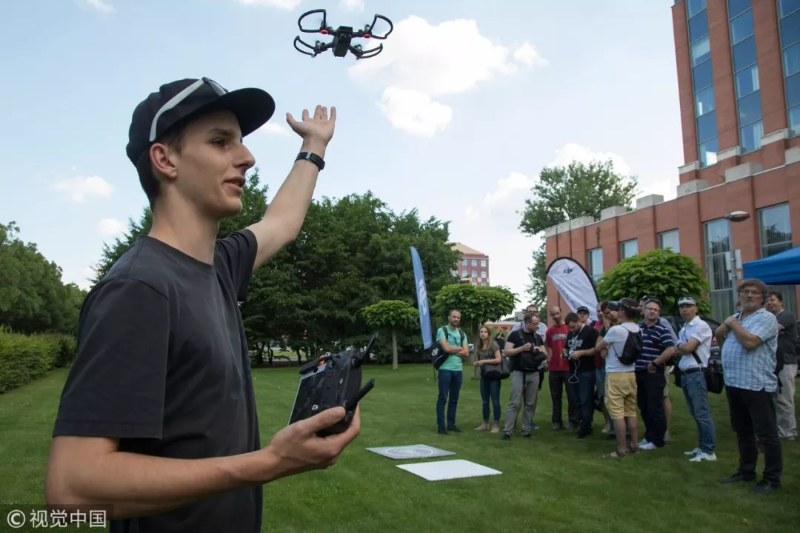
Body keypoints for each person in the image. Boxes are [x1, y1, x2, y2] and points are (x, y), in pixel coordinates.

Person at [44, 78, 361, 532]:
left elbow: (282, 222)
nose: (247, 157)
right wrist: (269, 462)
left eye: (241, 141)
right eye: (220, 141)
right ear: (165, 159)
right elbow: (71, 490)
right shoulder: (140, 289)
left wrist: (314, 146)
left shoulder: (219, 266)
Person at [715, 279, 782, 494]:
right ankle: (746, 471)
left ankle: (771, 478)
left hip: (757, 384)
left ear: (762, 298)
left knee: (766, 434)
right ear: (740, 296)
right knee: (743, 431)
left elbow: (750, 342)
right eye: (745, 292)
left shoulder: (766, 318)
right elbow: (718, 333)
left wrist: (732, 324)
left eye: (755, 292)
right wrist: (727, 330)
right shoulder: (738, 317)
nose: (749, 295)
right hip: (735, 382)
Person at [652, 297, 717, 462]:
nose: (685, 309)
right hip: (686, 373)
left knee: (701, 413)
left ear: (696, 308)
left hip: (696, 373)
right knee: (695, 412)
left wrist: (682, 346)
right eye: (682, 307)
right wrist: (682, 347)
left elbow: (686, 348)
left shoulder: (701, 326)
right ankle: (702, 446)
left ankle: (708, 450)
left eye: (688, 306)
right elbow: (677, 349)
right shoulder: (685, 328)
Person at [595, 298, 641, 458]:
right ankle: (635, 445)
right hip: (631, 373)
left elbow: (598, 347)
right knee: (631, 411)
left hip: (615, 374)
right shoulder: (638, 329)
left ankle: (622, 449)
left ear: (622, 312)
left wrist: (606, 338)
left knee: (617, 413)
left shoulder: (616, 330)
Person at [635, 298, 674, 450]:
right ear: (644, 310)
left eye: (655, 310)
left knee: (655, 406)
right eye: (650, 309)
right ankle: (649, 436)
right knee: (643, 405)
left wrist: (655, 362)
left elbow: (670, 349)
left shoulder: (662, 329)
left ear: (659, 313)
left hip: (653, 372)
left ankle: (658, 440)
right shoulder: (638, 328)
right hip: (638, 371)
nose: (652, 312)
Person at [500, 312, 546, 440]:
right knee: (514, 402)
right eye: (535, 324)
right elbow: (506, 352)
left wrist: (539, 350)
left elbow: (545, 354)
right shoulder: (515, 335)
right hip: (519, 372)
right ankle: (507, 431)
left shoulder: (538, 337)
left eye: (538, 324)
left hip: (534, 372)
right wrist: (521, 348)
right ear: (527, 323)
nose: (537, 326)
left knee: (530, 404)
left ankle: (526, 430)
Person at [766, 291, 798, 441]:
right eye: (767, 301)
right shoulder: (769, 318)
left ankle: (788, 433)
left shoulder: (787, 316)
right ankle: (777, 430)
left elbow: (769, 331)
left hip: (786, 363)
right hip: (772, 363)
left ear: (781, 302)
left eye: (773, 300)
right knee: (773, 399)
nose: (770, 303)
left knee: (785, 399)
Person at [564, 313, 600, 439]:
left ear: (579, 321)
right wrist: (565, 354)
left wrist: (581, 353)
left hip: (587, 370)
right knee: (576, 400)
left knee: (585, 400)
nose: (571, 330)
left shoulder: (591, 332)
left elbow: (596, 349)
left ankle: (586, 428)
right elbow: (566, 347)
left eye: (573, 327)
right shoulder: (571, 334)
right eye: (569, 328)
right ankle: (582, 423)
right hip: (573, 370)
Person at [435, 309, 470, 435]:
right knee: (443, 397)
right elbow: (445, 348)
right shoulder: (442, 331)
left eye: (458, 317)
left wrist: (453, 349)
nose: (456, 319)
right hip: (445, 369)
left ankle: (451, 424)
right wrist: (459, 348)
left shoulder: (462, 333)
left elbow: (466, 353)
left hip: (458, 370)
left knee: (454, 399)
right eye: (454, 317)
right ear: (449, 317)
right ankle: (441, 426)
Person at [546, 306, 577, 430]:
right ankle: (556, 421)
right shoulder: (550, 331)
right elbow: (549, 348)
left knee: (572, 396)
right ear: (550, 315)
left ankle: (573, 421)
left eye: (557, 313)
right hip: (554, 368)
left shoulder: (569, 328)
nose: (556, 316)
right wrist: (548, 361)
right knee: (555, 397)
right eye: (553, 314)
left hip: (568, 367)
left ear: (561, 312)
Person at [474, 326, 503, 433]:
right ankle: (485, 423)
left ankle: (496, 424)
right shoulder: (479, 346)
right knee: (485, 401)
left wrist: (484, 361)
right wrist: (478, 363)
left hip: (494, 376)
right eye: (481, 332)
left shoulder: (493, 345)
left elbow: (498, 359)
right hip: (484, 376)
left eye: (485, 332)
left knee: (495, 401)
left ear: (489, 334)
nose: (483, 334)